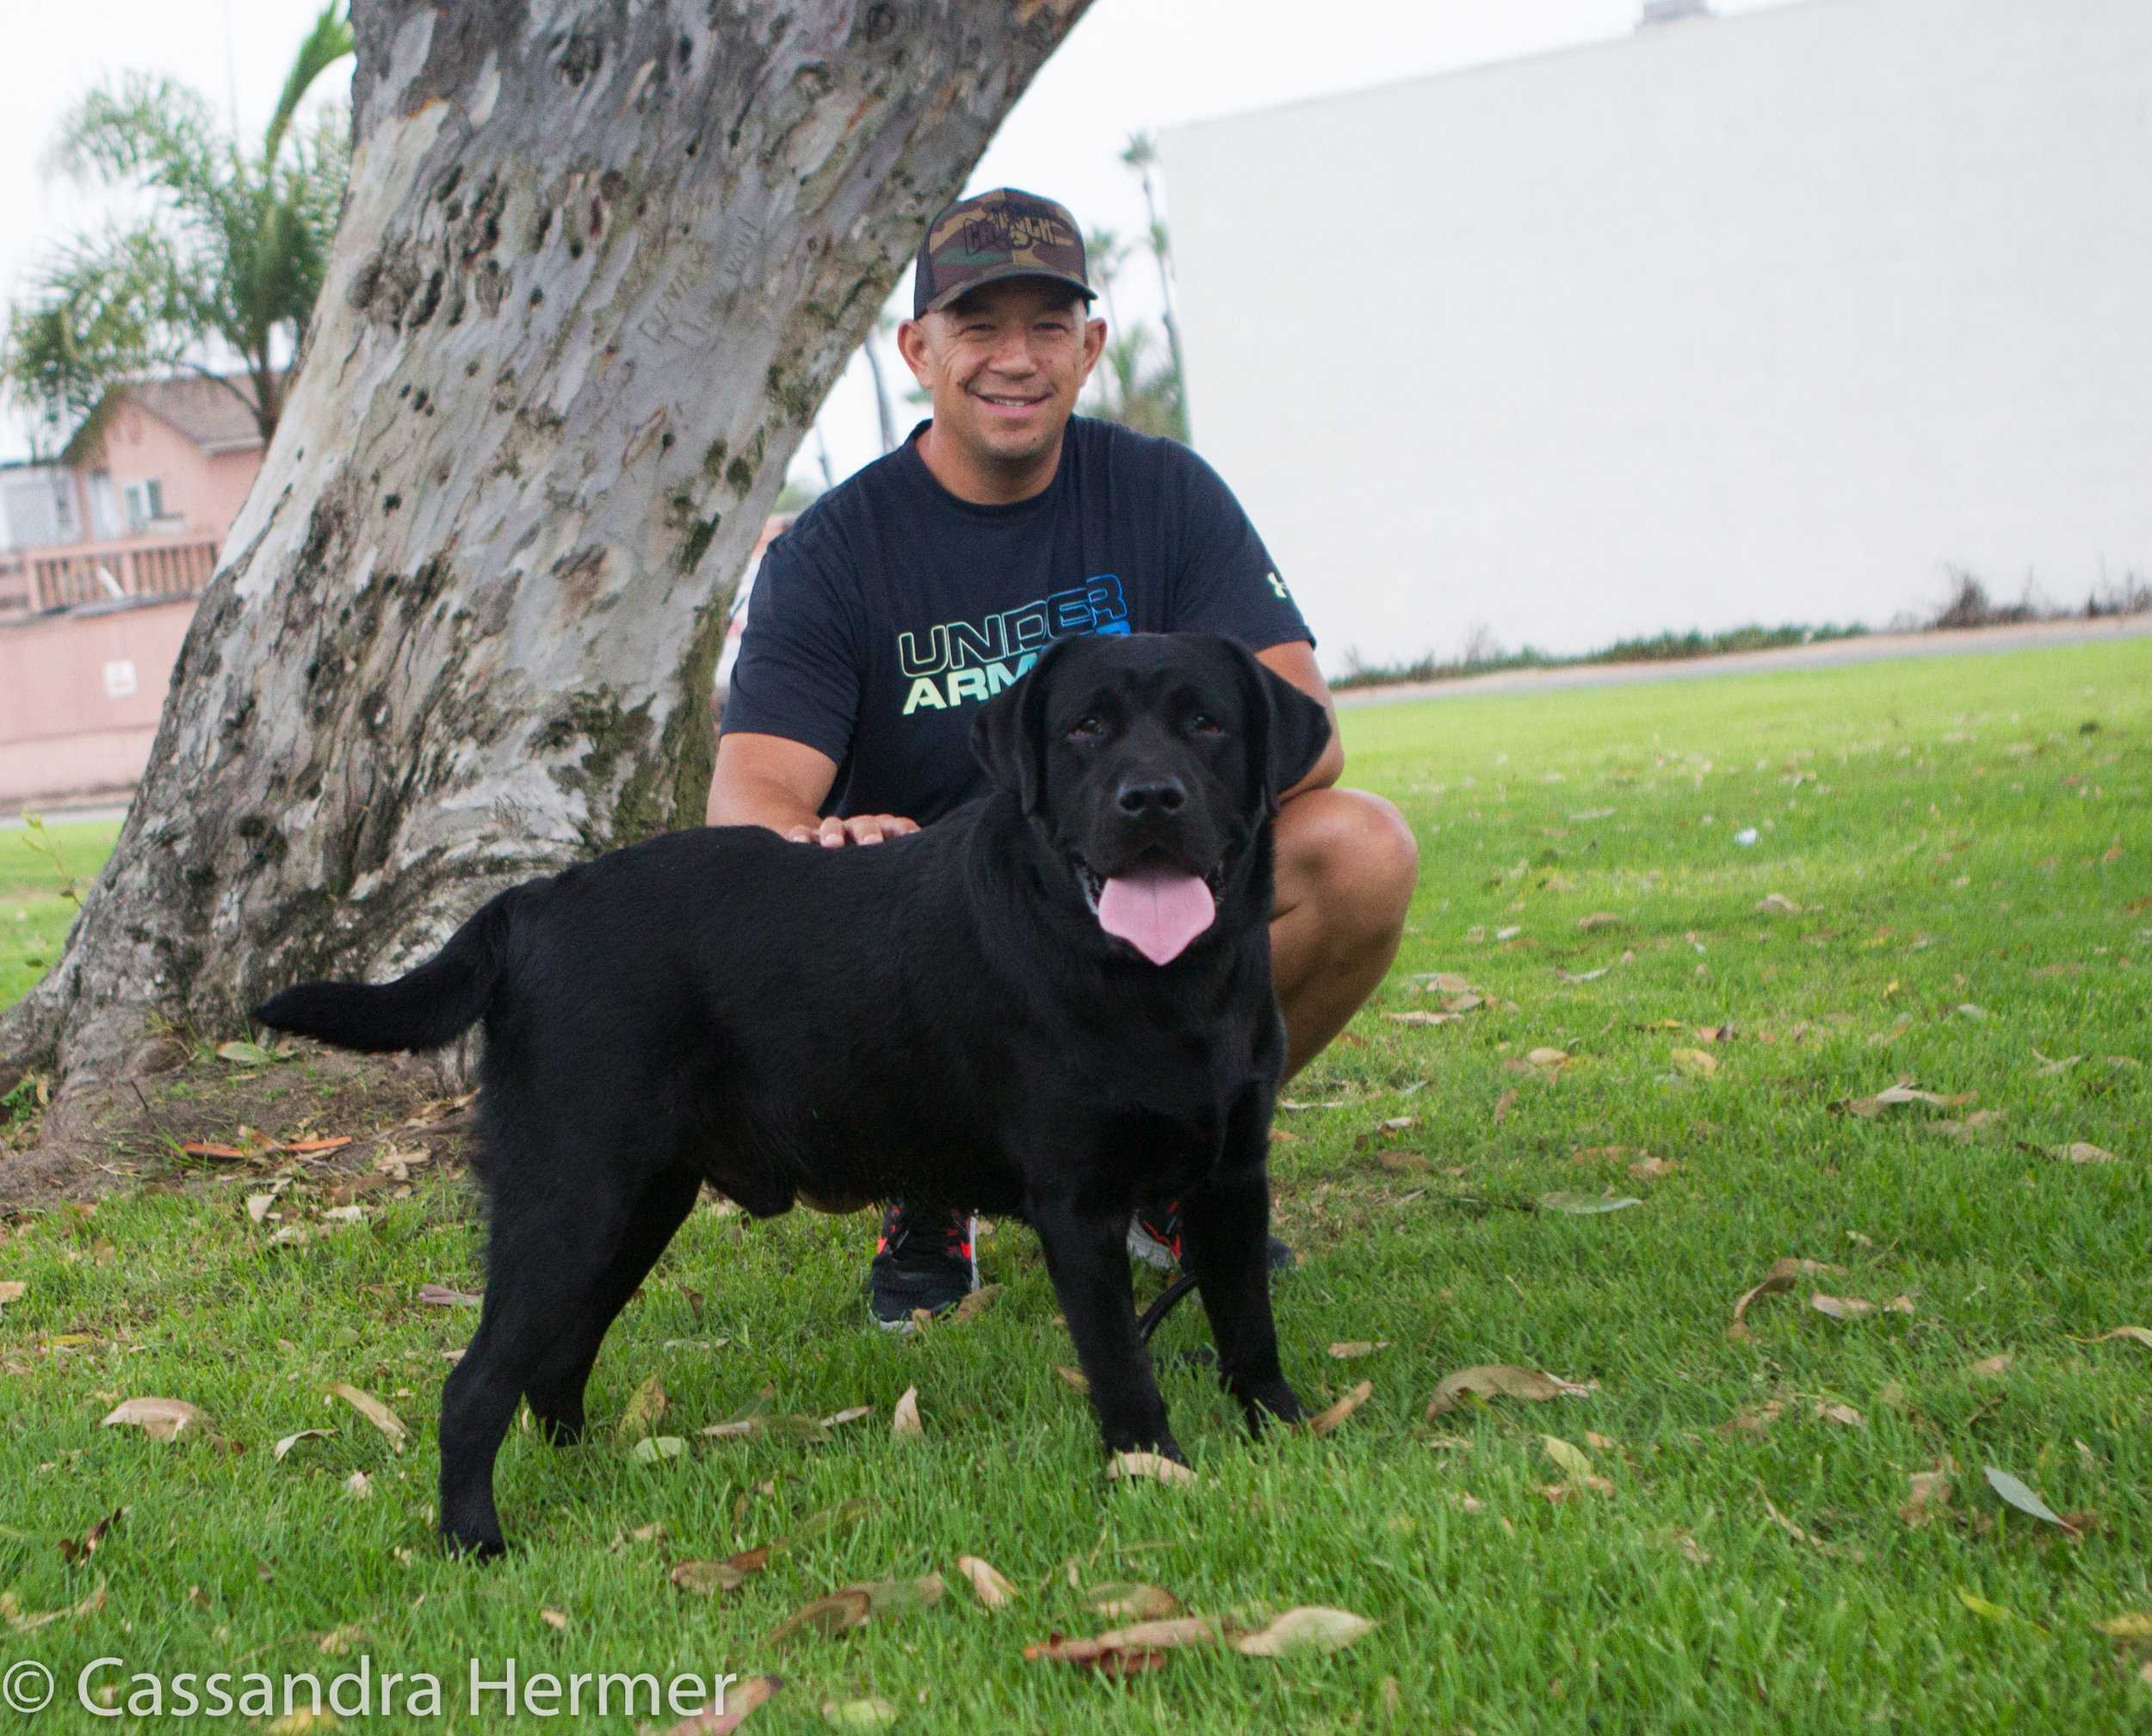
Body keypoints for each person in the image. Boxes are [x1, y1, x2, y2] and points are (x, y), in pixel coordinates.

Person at [708, 188, 1418, 1329]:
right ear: (918, 351)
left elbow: (1303, 725)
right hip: (940, 945)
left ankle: (1172, 1170)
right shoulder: (835, 550)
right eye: (979, 327)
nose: (1015, 359)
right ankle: (930, 1186)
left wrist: (1144, 830)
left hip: (1142, 889)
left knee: (1364, 850)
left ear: (1090, 347)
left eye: (1048, 326)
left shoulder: (1163, 494)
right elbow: (749, 803)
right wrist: (827, 838)